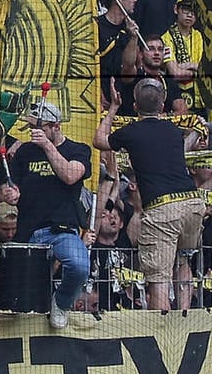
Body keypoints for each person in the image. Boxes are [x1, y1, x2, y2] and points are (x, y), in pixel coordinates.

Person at [95, 80, 201, 311]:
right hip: (193, 204)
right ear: (163, 106)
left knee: (158, 277)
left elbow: (99, 140)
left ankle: (162, 332)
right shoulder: (174, 132)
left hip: (163, 209)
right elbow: (183, 151)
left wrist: (113, 107)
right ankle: (184, 316)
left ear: (135, 106)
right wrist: (197, 131)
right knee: (183, 259)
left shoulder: (131, 132)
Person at [11, 100, 91, 328]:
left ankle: (62, 302)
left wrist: (47, 146)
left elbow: (70, 176)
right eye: (32, 129)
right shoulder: (25, 152)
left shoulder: (78, 149)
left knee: (79, 266)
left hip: (61, 229)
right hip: (28, 230)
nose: (35, 133)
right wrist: (10, 192)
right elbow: (14, 186)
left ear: (56, 126)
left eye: (41, 128)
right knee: (25, 292)